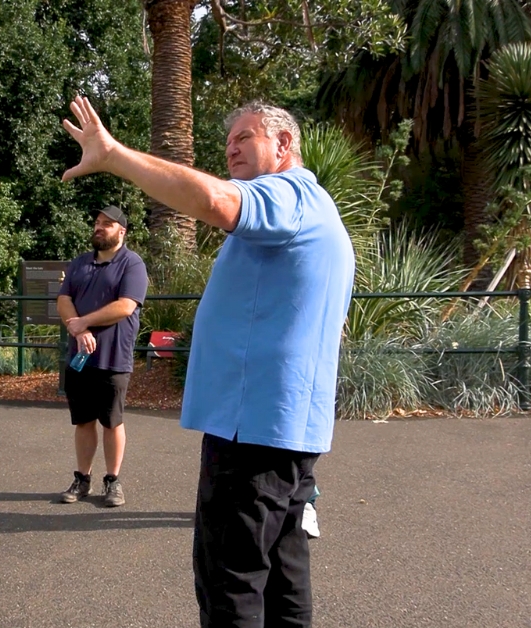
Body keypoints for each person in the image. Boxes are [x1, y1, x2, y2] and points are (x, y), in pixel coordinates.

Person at [60, 96, 354, 627]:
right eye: (228, 140)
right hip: (289, 432)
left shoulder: (287, 194)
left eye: (245, 137)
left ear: (284, 145)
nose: (231, 147)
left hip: (251, 433)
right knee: (284, 577)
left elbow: (219, 202)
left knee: (230, 582)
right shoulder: (319, 211)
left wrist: (114, 155)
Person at [56, 205, 148, 507]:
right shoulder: (81, 263)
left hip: (113, 357)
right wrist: (78, 330)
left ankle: (113, 481)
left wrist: (86, 321)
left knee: (111, 421)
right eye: (96, 222)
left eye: (106, 224)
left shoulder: (132, 264)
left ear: (121, 231)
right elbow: (64, 299)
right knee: (83, 421)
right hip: (80, 356)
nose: (98, 228)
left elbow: (125, 306)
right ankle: (82, 479)